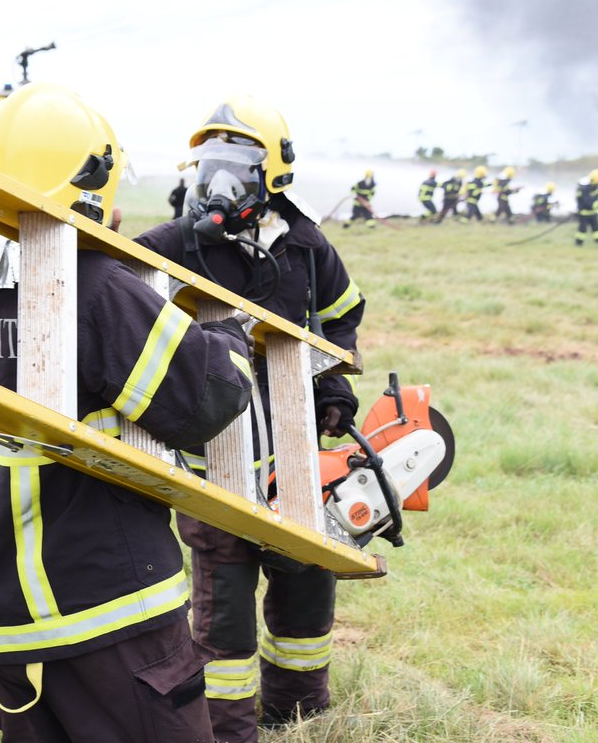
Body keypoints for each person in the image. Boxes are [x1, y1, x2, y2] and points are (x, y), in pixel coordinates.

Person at [0, 82, 255, 743]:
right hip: (109, 613)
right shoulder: (93, 287)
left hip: (0, 614)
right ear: (92, 183)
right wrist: (230, 335)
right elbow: (207, 398)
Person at [134, 96, 365, 743]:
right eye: (210, 162)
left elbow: (339, 317)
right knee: (224, 606)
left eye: (236, 163)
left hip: (295, 460)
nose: (220, 178)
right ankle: (226, 728)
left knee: (307, 584)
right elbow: (118, 274)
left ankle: (298, 712)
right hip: (216, 464)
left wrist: (332, 386)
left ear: (274, 173)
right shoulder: (179, 243)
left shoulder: (306, 245)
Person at [575, 168, 598, 245]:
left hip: (593, 213)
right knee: (582, 229)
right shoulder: (584, 189)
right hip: (584, 214)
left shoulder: (594, 187)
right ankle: (578, 243)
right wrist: (597, 204)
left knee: (597, 228)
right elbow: (587, 203)